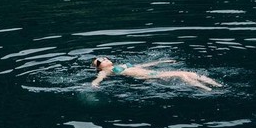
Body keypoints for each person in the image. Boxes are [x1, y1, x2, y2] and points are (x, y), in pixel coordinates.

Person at [91, 56, 222, 90]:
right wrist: (95, 84)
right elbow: (99, 79)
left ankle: (216, 85)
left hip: (152, 72)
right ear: (99, 67)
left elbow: (143, 65)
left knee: (188, 73)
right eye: (100, 61)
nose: (104, 59)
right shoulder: (106, 71)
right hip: (147, 76)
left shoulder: (121, 65)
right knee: (182, 75)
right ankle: (206, 89)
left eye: (104, 57)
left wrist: (163, 61)